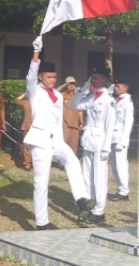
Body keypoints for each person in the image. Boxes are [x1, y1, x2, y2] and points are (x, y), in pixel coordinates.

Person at [25, 36, 93, 230]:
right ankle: (42, 222)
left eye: (54, 77)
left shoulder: (57, 94)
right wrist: (36, 52)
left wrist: (86, 89)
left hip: (56, 139)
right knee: (41, 181)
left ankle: (80, 198)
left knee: (72, 160)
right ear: (41, 77)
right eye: (48, 77)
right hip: (40, 140)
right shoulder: (34, 91)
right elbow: (30, 75)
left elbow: (74, 105)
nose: (52, 80)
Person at [69, 69, 116, 225]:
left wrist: (106, 147)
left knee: (99, 178)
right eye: (92, 78)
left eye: (96, 78)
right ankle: (89, 206)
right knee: (87, 175)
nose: (93, 81)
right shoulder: (91, 97)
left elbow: (110, 125)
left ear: (104, 80)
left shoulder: (108, 99)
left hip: (100, 142)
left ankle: (99, 211)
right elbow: (74, 104)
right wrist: (83, 89)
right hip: (89, 140)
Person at [108, 79, 134, 202]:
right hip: (112, 137)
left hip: (120, 138)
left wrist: (124, 141)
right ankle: (119, 189)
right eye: (115, 86)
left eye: (118, 86)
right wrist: (112, 86)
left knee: (121, 165)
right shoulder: (117, 100)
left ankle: (124, 191)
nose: (115, 88)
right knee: (114, 165)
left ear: (125, 88)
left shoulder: (127, 102)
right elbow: (108, 93)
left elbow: (128, 122)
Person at [59, 76, 84, 156]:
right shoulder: (61, 95)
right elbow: (54, 92)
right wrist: (63, 85)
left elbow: (80, 111)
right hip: (64, 124)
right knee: (63, 144)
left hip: (75, 125)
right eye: (69, 84)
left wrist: (82, 122)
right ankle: (62, 163)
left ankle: (71, 163)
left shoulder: (78, 96)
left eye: (73, 84)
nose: (71, 85)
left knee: (73, 145)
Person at [14, 92, 33, 170]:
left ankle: (33, 163)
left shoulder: (41, 103)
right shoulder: (26, 102)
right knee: (27, 145)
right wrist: (26, 92)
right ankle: (27, 163)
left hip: (38, 127)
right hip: (27, 126)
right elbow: (16, 100)